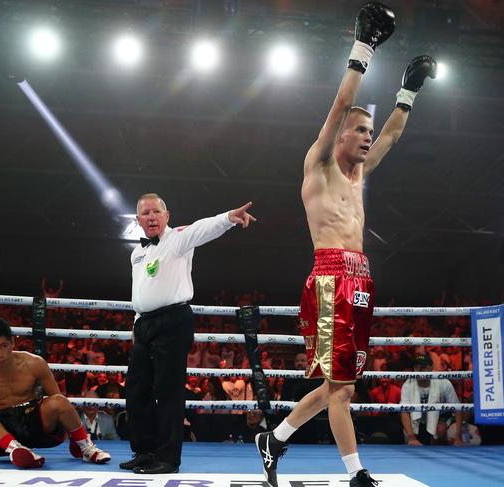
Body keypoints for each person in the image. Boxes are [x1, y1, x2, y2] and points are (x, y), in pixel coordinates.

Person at [255, 3, 437, 487]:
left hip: (361, 282)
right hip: (331, 279)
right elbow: (339, 106)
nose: (367, 137)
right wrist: (363, 49)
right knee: (340, 392)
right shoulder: (319, 166)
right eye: (360, 131)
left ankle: (273, 440)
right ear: (339, 137)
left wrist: (408, 91)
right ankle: (357, 473)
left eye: (368, 132)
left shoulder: (358, 177)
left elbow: (394, 135)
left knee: (341, 385)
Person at [120, 193, 255, 474]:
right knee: (136, 392)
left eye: (156, 211)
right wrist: (136, 322)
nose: (151, 217)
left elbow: (202, 228)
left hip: (172, 320)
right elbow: (140, 291)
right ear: (138, 220)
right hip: (144, 325)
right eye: (145, 213)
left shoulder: (178, 238)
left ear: (167, 216)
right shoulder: (137, 253)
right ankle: (145, 451)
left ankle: (168, 458)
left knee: (168, 392)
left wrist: (228, 218)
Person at [0, 317, 110, 468]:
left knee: (59, 400)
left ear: (12, 343)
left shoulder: (34, 363)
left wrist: (72, 434)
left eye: (3, 346)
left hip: (32, 423)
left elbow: (57, 399)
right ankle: (16, 449)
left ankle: (84, 447)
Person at [399, 353, 463, 446]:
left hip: (440, 416)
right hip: (418, 418)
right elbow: (404, 412)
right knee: (410, 435)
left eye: (423, 367)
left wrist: (458, 437)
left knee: (440, 430)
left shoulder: (443, 382)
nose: (419, 370)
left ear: (430, 368)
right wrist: (411, 437)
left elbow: (457, 408)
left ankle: (440, 453)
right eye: (416, 367)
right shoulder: (408, 384)